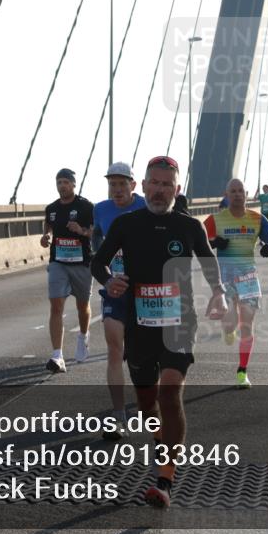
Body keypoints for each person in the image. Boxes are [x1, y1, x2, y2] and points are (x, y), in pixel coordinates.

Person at [91, 156, 227, 508]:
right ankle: (162, 444)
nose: (160, 190)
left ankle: (165, 479)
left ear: (176, 190)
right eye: (155, 182)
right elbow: (98, 261)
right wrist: (110, 281)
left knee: (170, 393)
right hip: (139, 326)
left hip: (179, 323)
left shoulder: (189, 227)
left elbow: (209, 262)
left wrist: (219, 293)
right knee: (148, 404)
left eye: (168, 184)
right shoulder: (126, 224)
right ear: (144, 186)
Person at [203, 179, 268, 389]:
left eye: (241, 191)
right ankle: (228, 329)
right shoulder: (216, 219)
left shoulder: (257, 219)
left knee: (247, 325)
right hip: (225, 279)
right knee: (230, 323)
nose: (237, 194)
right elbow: (196, 241)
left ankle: (242, 371)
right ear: (226, 195)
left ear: (246, 194)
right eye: (233, 191)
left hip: (248, 278)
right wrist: (213, 242)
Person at [92, 162, 147, 440]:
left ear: (133, 186)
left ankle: (146, 402)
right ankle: (117, 417)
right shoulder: (100, 209)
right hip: (116, 290)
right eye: (112, 184)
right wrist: (107, 277)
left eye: (121, 184)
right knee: (115, 349)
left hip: (147, 292)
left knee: (145, 357)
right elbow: (97, 244)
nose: (116, 189)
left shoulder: (148, 206)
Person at [40, 168, 95, 373]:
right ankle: (57, 355)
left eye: (65, 182)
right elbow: (48, 226)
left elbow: (96, 233)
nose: (61, 185)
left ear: (73, 184)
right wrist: (45, 237)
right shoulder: (52, 208)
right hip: (58, 262)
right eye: (59, 182)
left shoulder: (86, 206)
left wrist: (81, 231)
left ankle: (83, 336)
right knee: (56, 306)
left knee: (83, 306)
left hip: (81, 263)